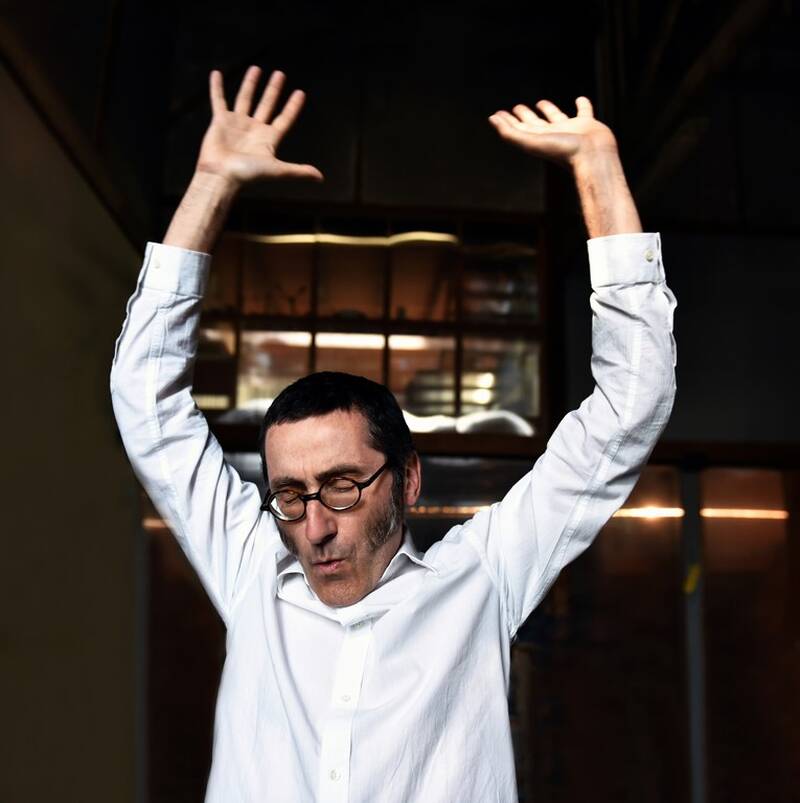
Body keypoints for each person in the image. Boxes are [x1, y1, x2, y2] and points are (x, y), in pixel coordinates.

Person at [111, 65, 676, 803]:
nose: (314, 527)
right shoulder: (251, 572)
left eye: (343, 486)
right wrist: (212, 183)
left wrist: (597, 167)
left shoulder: (480, 579)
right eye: (289, 495)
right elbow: (145, 401)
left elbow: (630, 406)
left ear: (407, 479)